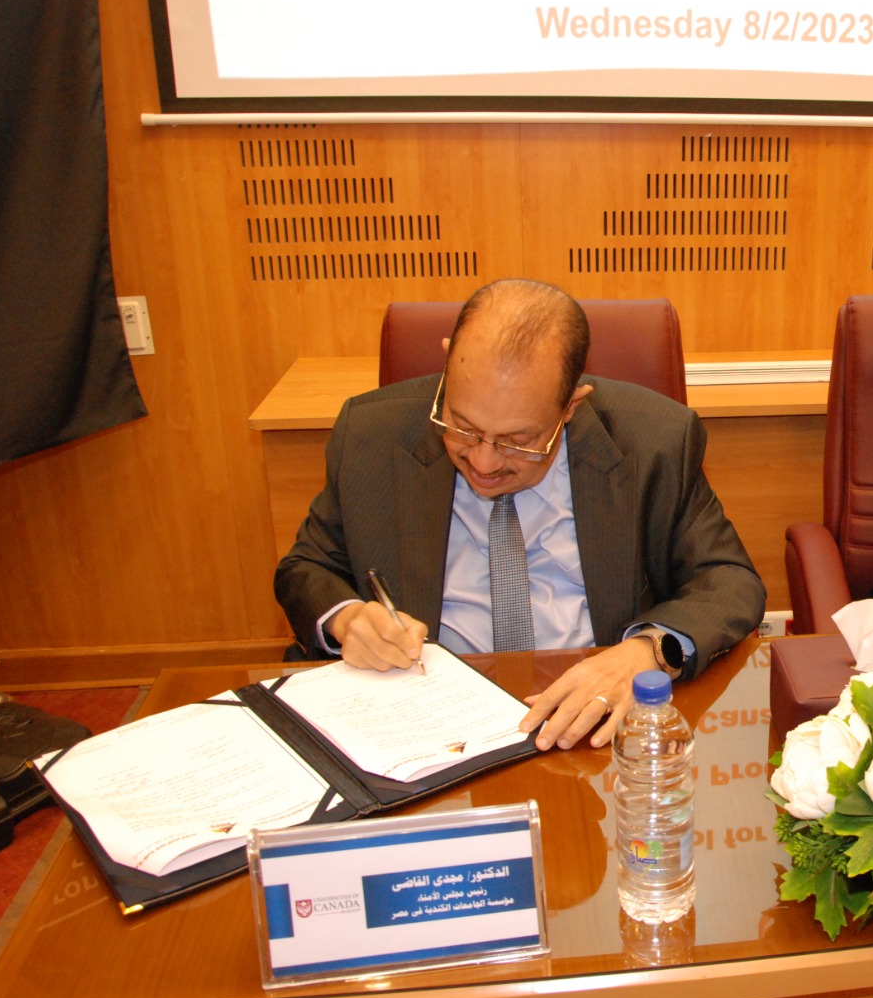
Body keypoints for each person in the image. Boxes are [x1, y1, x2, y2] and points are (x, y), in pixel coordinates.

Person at [275, 278, 765, 749]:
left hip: (589, 723)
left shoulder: (654, 441)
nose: (484, 462)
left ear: (571, 405)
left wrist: (645, 652)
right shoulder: (370, 434)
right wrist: (347, 619)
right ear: (448, 365)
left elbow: (728, 580)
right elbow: (306, 567)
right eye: (463, 427)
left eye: (518, 441)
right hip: (425, 721)